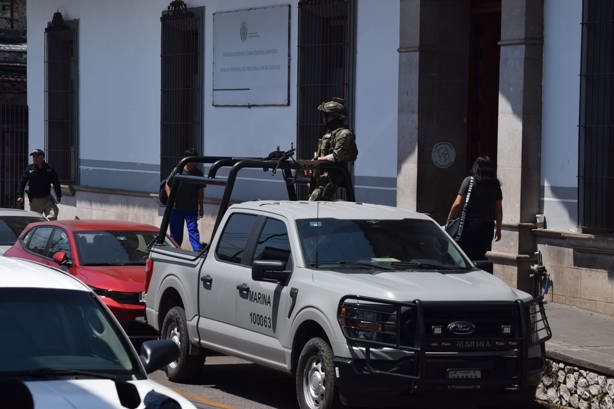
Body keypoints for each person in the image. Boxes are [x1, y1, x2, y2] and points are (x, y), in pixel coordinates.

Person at [446, 156, 502, 260]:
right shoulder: (495, 185)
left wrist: (449, 220)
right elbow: (498, 209)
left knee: (464, 257)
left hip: (468, 226)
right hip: (487, 227)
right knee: (479, 256)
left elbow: (457, 204)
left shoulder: (469, 181)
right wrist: (498, 229)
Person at [308, 97, 358, 201]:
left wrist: (315, 162)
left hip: (333, 176)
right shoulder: (329, 134)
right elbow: (320, 153)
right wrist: (312, 166)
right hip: (320, 175)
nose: (323, 118)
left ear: (334, 117)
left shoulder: (344, 134)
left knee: (314, 202)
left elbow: (337, 156)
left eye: (326, 115)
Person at [164, 148, 204, 251]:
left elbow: (200, 191)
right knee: (176, 235)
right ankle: (175, 252)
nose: (195, 163)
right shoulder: (178, 170)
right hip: (177, 209)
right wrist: (171, 201)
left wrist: (201, 207)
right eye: (193, 160)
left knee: (193, 231)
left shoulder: (198, 173)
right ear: (187, 160)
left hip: (191, 208)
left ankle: (197, 251)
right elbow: (167, 185)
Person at [16, 148, 61, 220]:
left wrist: (59, 195)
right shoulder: (29, 169)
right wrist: (20, 196)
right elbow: (22, 183)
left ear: (42, 157)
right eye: (33, 157)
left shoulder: (49, 169)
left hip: (47, 198)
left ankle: (50, 228)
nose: (34, 158)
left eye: (36, 156)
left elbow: (56, 182)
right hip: (35, 200)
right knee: (35, 220)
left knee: (53, 214)